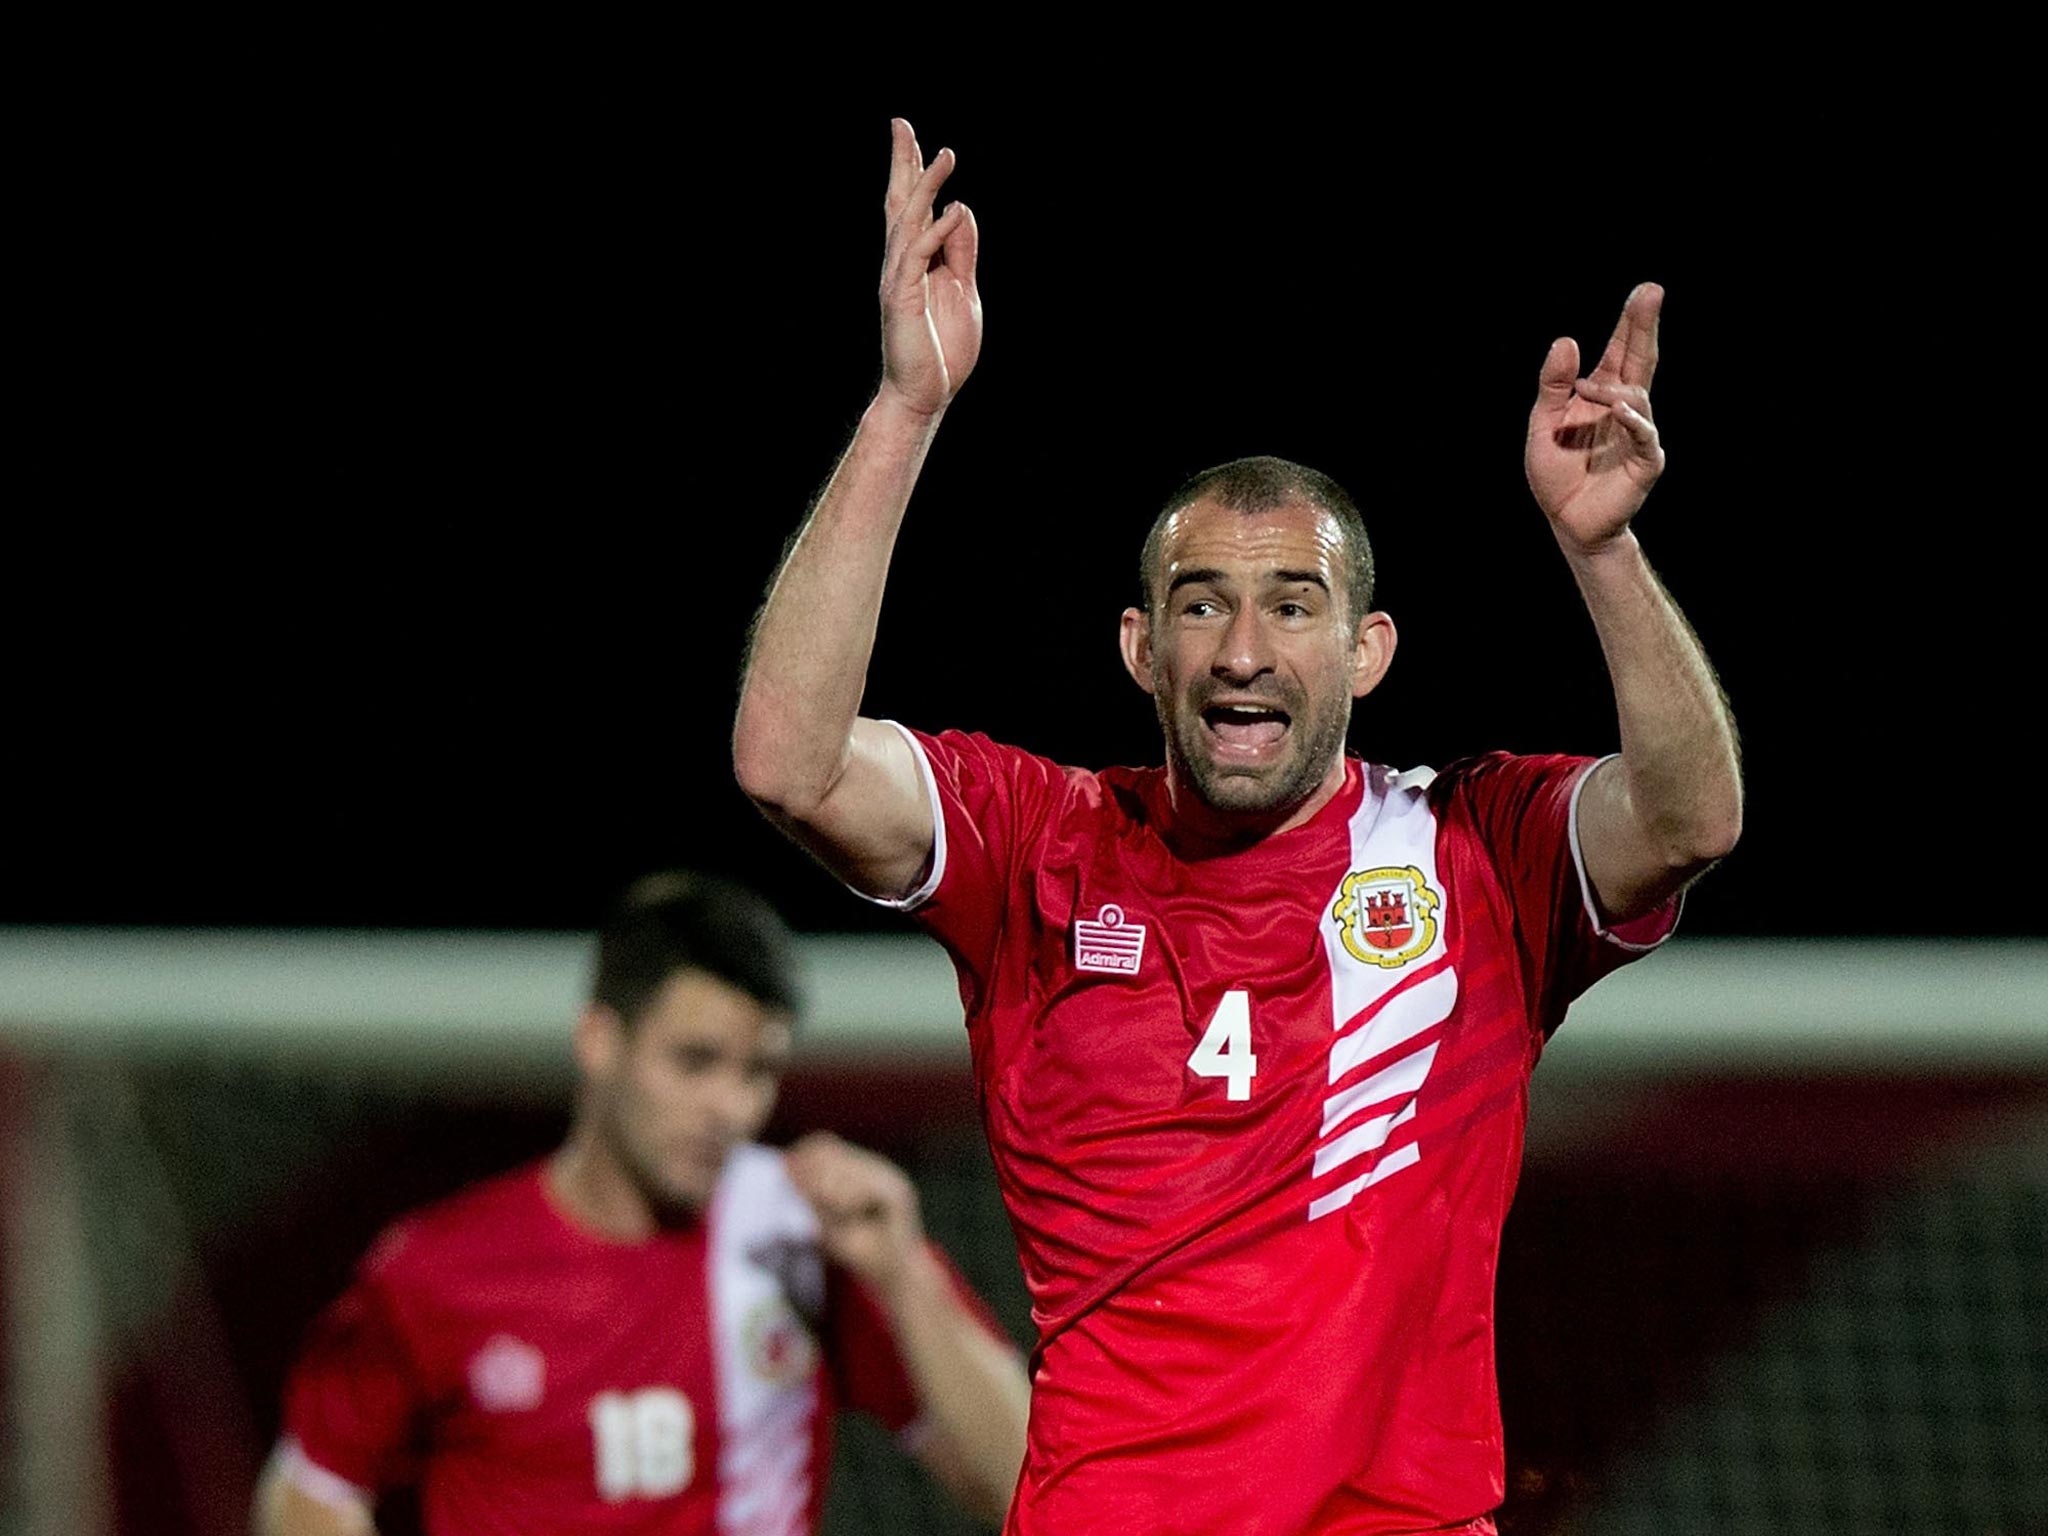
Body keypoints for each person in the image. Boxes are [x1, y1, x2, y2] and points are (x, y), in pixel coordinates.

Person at [730, 120, 1743, 1536]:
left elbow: (1695, 815)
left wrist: (1603, 550)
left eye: (1292, 605)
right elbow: (787, 762)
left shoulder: (1475, 854)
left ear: (1370, 649)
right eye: (1202, 604)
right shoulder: (1038, 840)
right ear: (1142, 649)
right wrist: (905, 410)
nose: (1244, 651)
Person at [252, 871, 1030, 1536]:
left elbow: (1024, 1489)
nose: (731, 1106)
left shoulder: (804, 1236)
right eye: (695, 1062)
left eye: (756, 1071)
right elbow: (312, 1487)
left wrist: (905, 1277)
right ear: (599, 1041)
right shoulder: (436, 1271)